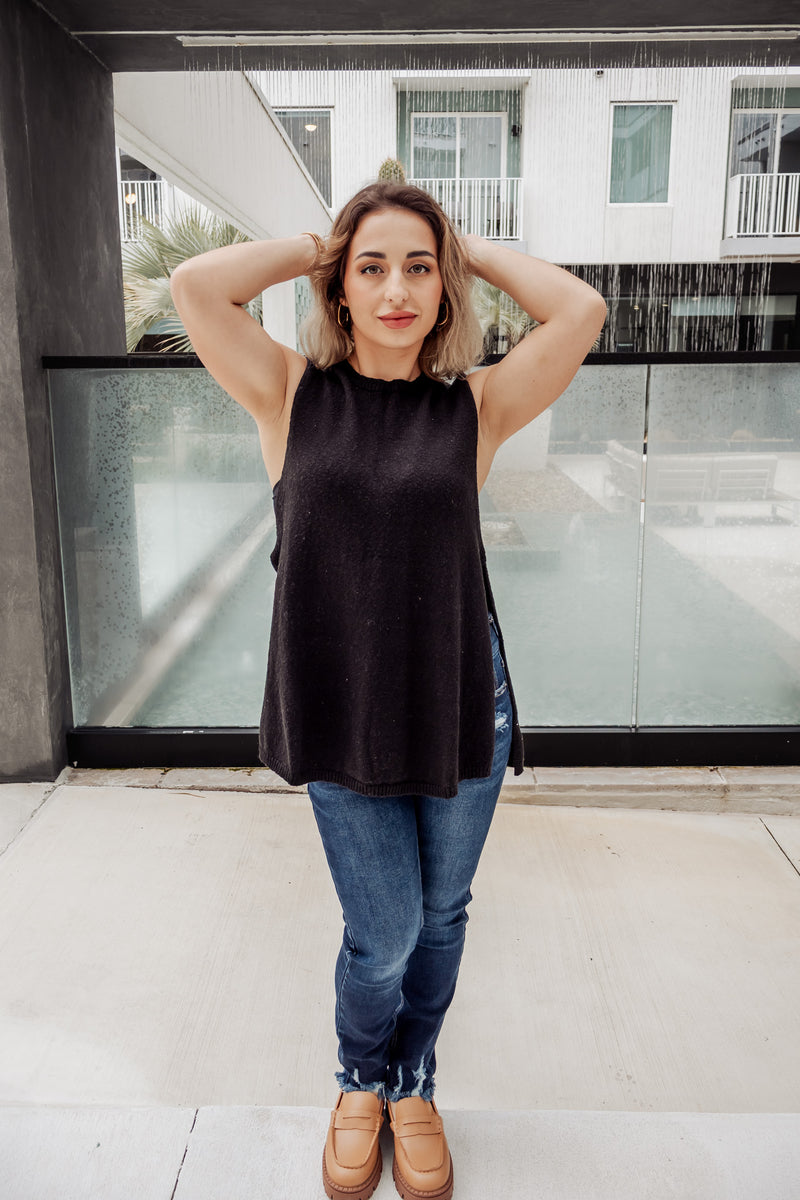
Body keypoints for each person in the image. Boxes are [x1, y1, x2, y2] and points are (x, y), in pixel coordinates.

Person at [170, 181, 606, 1200]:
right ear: (339, 288)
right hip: (339, 705)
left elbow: (578, 312)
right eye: (372, 268)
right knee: (386, 935)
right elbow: (195, 286)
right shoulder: (287, 391)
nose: (397, 288)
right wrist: (323, 240)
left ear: (443, 288)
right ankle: (356, 1079)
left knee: (443, 912)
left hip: (460, 701)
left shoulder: (475, 406)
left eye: (418, 268)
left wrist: (465, 245)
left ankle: (411, 1084)